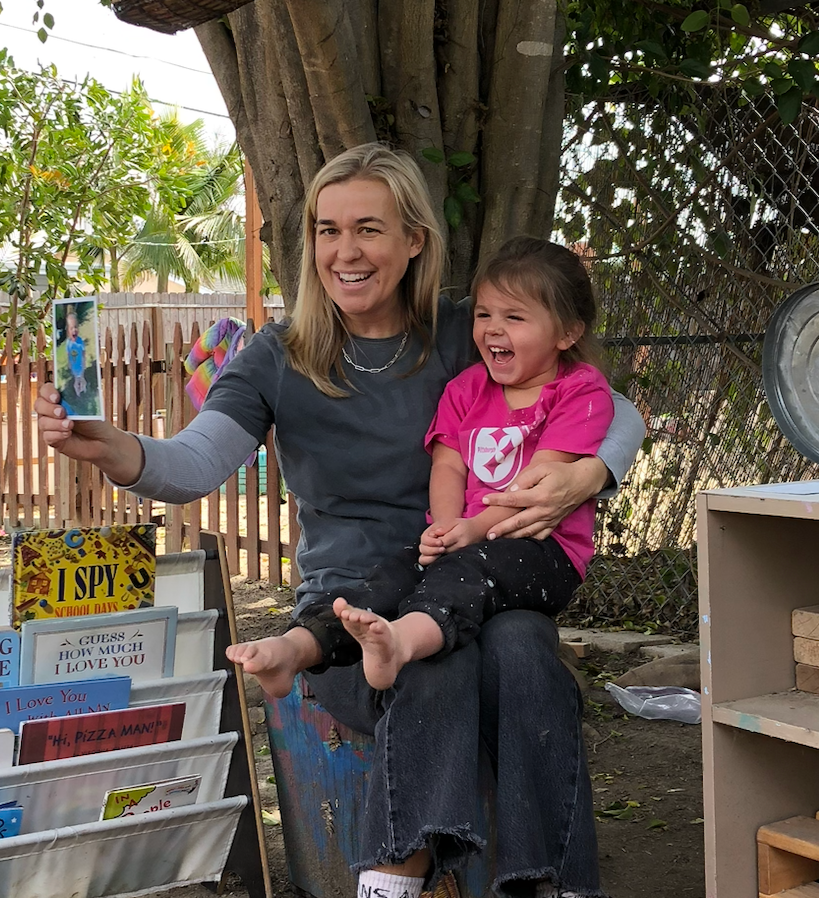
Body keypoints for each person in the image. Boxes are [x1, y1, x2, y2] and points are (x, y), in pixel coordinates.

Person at [35, 143, 673, 898]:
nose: (346, 251)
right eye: (329, 231)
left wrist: (594, 473)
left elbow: (611, 406)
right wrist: (115, 451)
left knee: (522, 655)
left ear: (414, 241)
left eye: (369, 228)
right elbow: (194, 459)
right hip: (351, 617)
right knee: (445, 670)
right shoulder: (279, 357)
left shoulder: (467, 335)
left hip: (481, 581)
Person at [248, 235, 611, 694]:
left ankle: (401, 644)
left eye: (514, 317)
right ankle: (301, 646)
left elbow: (539, 487)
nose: (493, 329)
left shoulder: (579, 391)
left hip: (541, 547)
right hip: (467, 539)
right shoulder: (467, 388)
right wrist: (445, 528)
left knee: (465, 573)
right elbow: (448, 466)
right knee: (393, 574)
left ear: (567, 333)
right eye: (483, 314)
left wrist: (473, 531)